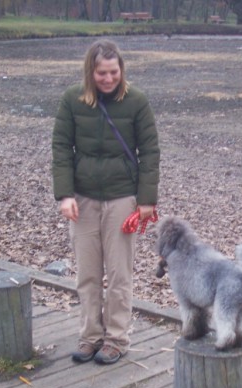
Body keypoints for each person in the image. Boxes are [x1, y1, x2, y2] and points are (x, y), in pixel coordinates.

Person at [51, 39, 160, 365]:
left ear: (121, 70)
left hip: (122, 199)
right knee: (86, 273)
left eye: (113, 72)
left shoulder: (137, 101)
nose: (108, 79)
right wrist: (65, 194)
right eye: (101, 73)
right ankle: (90, 337)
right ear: (91, 71)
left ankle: (116, 338)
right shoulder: (72, 100)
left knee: (118, 274)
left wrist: (146, 201)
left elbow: (150, 153)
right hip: (82, 198)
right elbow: (61, 149)